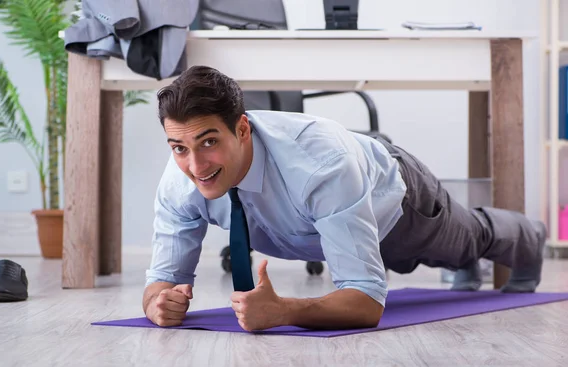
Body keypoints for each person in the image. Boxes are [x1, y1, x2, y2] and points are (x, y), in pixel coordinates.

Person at [142, 65, 547, 332]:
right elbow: (161, 281)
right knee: (455, 259)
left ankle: (529, 236)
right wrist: (156, 304)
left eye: (208, 141)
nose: (195, 165)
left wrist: (284, 310)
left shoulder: (321, 164)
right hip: (326, 222)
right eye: (179, 147)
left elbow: (367, 301)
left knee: (467, 241)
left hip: (397, 203)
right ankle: (463, 270)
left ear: (243, 130)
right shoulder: (180, 182)